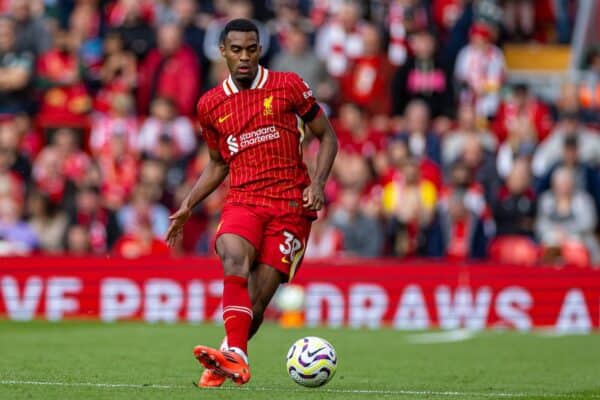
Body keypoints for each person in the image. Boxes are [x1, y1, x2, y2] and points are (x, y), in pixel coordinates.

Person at [165, 19, 338, 387]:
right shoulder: (210, 105)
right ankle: (237, 358)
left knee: (257, 302)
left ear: (259, 50)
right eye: (236, 50)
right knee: (231, 254)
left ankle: (226, 357)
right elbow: (216, 164)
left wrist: (319, 184)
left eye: (251, 49)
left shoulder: (288, 85)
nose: (244, 57)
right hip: (244, 199)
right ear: (223, 52)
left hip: (291, 205)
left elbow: (328, 137)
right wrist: (189, 204)